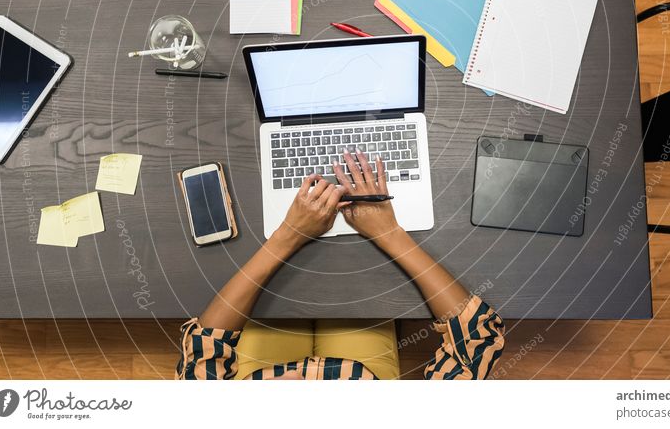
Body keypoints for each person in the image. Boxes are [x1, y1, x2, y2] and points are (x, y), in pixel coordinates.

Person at [176, 149, 505, 380]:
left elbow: (204, 348)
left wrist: (287, 237)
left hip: (266, 365)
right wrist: (390, 233)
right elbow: (478, 338)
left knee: (282, 303)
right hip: (359, 369)